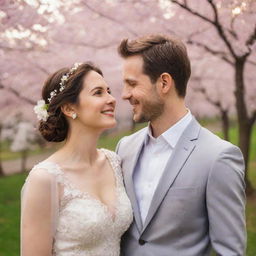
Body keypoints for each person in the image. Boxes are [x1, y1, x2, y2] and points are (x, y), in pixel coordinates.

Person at [116, 34, 246, 256]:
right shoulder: (124, 148)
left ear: (164, 83)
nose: (124, 94)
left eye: (132, 84)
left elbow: (230, 250)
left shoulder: (218, 157)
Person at [21, 62, 133, 256]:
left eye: (109, 91)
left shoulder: (114, 162)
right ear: (69, 107)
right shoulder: (45, 178)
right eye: (98, 93)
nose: (112, 99)